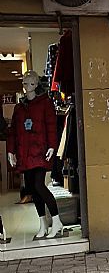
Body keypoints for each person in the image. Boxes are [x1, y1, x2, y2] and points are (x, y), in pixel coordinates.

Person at [7, 71, 65, 240]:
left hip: (40, 152)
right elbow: (13, 132)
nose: (28, 87)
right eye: (25, 83)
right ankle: (43, 224)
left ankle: (57, 221)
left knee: (39, 185)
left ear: (37, 85)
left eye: (31, 83)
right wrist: (11, 150)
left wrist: (52, 146)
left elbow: (51, 126)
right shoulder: (19, 108)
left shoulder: (45, 103)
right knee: (32, 189)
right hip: (25, 154)